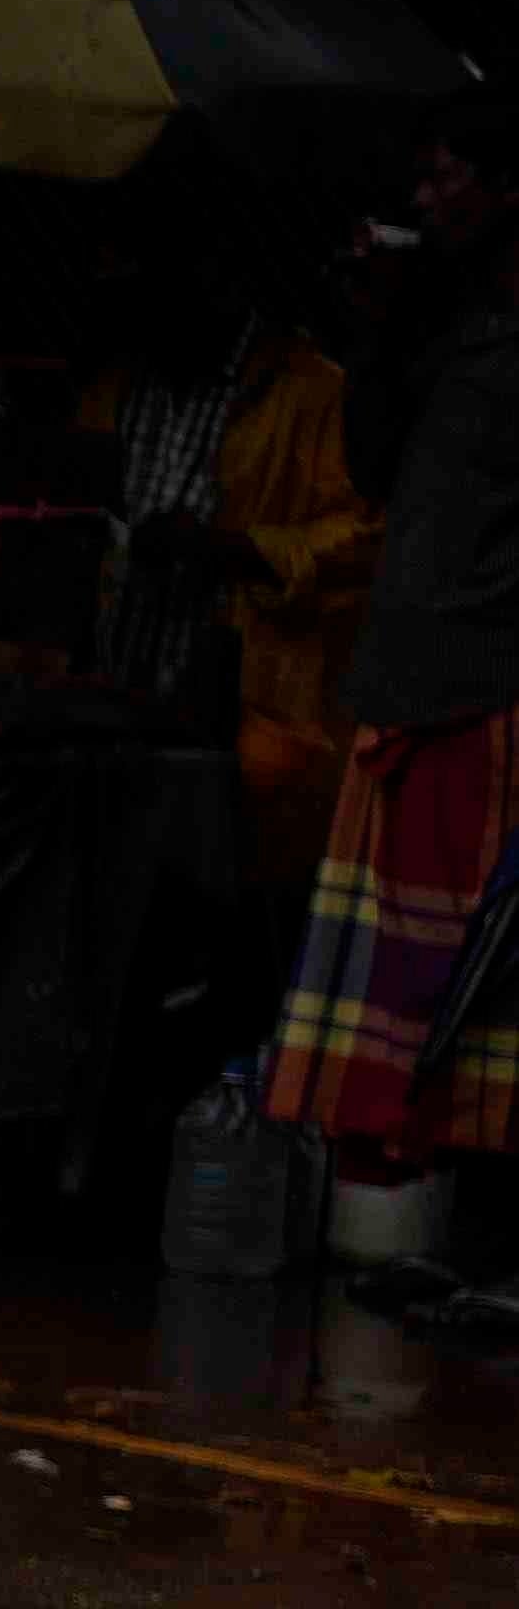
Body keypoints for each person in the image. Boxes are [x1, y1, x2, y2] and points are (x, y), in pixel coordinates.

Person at [269, 115, 519, 1229]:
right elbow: (373, 469)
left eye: (439, 175)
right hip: (409, 680)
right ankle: (404, 1217)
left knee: (468, 983)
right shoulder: (443, 318)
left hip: (487, 690)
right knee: (404, 989)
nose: (420, 200)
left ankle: (463, 1221)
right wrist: (377, 320)